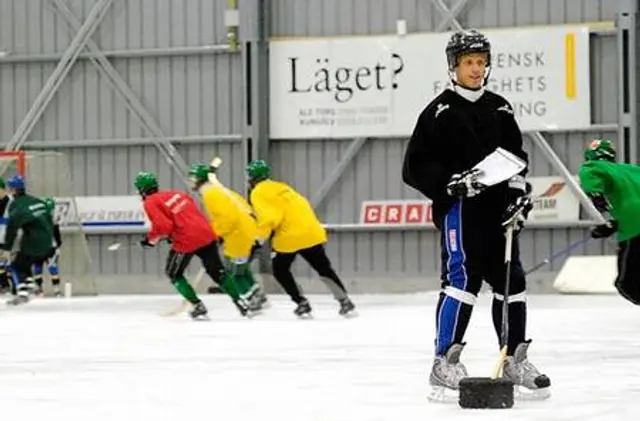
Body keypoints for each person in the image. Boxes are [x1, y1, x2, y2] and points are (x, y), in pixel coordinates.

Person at [401, 29, 550, 401]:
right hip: (462, 212)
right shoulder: (439, 111)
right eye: (468, 62)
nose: (476, 69)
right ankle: (444, 362)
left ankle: (514, 357)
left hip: (498, 212)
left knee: (511, 281)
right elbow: (415, 165)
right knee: (462, 280)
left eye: (481, 62)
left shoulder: (499, 107)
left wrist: (519, 193)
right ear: (454, 66)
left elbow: (515, 157)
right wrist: (450, 185)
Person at [246, 159, 356, 317]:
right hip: (311, 232)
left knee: (280, 270)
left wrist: (258, 240)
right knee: (323, 268)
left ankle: (301, 302)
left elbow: (269, 219)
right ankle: (344, 300)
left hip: (289, 237)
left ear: (251, 178)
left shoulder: (258, 192)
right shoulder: (282, 187)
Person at [134, 171, 250, 319]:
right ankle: (240, 301)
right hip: (207, 234)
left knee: (174, 274)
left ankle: (197, 305)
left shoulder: (150, 202)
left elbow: (163, 226)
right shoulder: (177, 194)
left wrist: (150, 240)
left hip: (186, 240)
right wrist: (172, 234)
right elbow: (186, 215)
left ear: (142, 190)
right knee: (218, 272)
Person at [188, 163, 267, 312]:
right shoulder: (217, 190)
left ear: (200, 180)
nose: (191, 181)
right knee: (240, 268)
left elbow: (227, 218)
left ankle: (250, 299)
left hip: (238, 233)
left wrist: (216, 234)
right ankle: (257, 294)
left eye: (193, 178)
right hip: (245, 230)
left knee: (232, 271)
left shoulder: (210, 194)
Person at [579, 139, 640, 305]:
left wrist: (606, 221)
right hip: (632, 224)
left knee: (627, 284)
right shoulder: (633, 170)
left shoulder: (592, 167)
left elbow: (596, 195)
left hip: (634, 228)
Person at [0, 175, 54, 305]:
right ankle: (30, 286)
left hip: (34, 241)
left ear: (12, 189)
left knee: (16, 265)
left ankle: (24, 292)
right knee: (24, 263)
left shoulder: (16, 206)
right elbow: (49, 218)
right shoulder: (36, 201)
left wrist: (5, 248)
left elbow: (12, 229)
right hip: (47, 240)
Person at [31, 197, 63, 297]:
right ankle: (53, 289)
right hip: (47, 247)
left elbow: (57, 235)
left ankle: (42, 289)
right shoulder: (49, 219)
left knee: (41, 268)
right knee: (46, 268)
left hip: (45, 247)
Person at [0, 178, 11, 293]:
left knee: (8, 263)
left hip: (8, 237)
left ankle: (10, 285)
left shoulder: (10, 201)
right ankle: (4, 284)